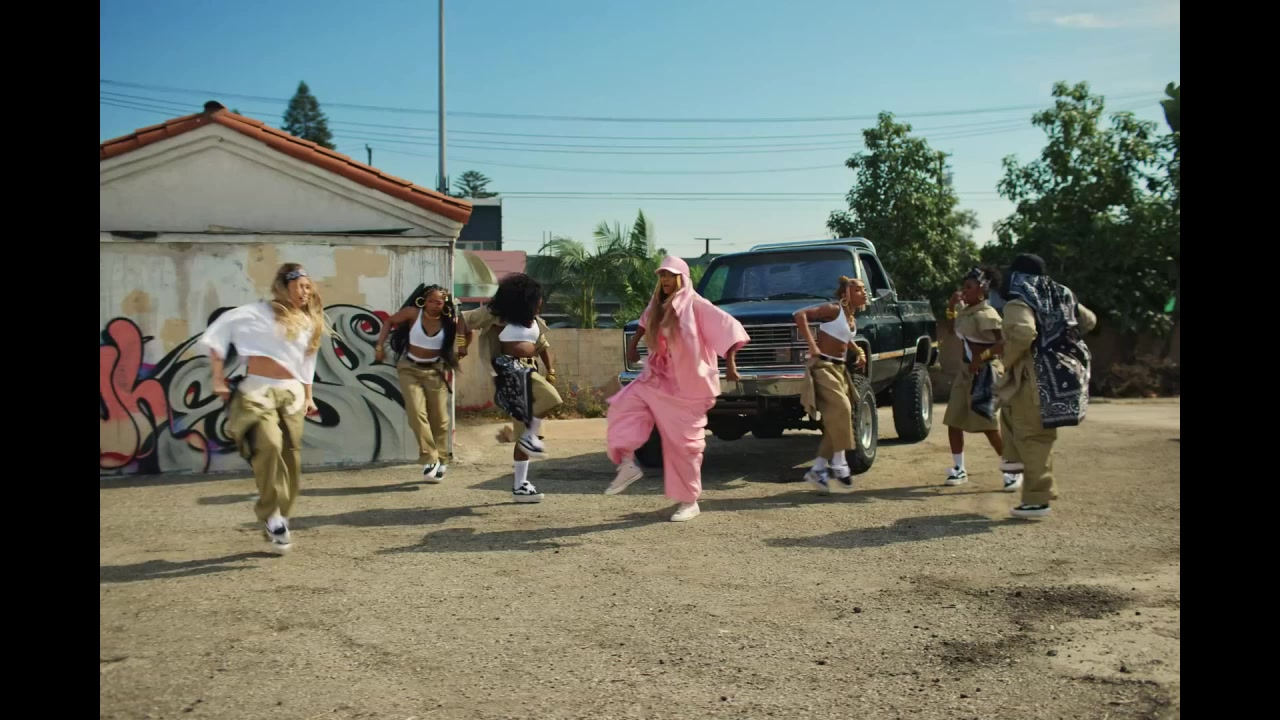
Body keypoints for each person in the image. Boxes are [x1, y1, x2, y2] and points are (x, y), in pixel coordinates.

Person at [603, 257, 749, 522]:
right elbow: (644, 322)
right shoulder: (658, 305)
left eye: (670, 275)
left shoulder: (697, 305)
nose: (665, 280)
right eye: (662, 275)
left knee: (684, 444)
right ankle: (627, 464)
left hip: (689, 384)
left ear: (682, 278)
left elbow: (729, 329)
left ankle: (689, 501)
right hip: (659, 376)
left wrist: (731, 365)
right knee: (624, 405)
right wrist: (633, 345)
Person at [201, 263, 325, 554]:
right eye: (300, 286)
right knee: (269, 445)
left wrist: (309, 396)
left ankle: (279, 516)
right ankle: (270, 514)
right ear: (284, 285)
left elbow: (308, 362)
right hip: (258, 391)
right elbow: (216, 336)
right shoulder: (256, 313)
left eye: (309, 288)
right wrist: (218, 378)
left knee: (291, 458)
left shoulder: (308, 321)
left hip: (292, 393)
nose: (306, 292)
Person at [996, 254, 1097, 519]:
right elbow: (1089, 321)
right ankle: (1014, 464)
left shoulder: (1019, 300)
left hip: (1034, 378)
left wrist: (1007, 359)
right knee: (1024, 425)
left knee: (1033, 437)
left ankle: (1036, 500)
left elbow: (1023, 332)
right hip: (1061, 376)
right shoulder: (1061, 294)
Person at [462, 274, 562, 503]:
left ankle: (520, 485)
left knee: (524, 433)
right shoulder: (498, 316)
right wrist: (461, 345)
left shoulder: (534, 321)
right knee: (551, 399)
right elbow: (463, 320)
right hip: (510, 370)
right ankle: (528, 438)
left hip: (530, 370)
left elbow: (542, 346)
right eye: (537, 298)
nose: (540, 302)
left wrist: (551, 370)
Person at [374, 284, 465, 481]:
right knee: (416, 413)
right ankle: (429, 457)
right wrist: (379, 346)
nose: (433, 305)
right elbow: (389, 321)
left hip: (435, 370)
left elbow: (466, 332)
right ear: (424, 300)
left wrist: (462, 349)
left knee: (440, 419)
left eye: (438, 302)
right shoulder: (413, 313)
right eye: (430, 301)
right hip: (409, 368)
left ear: (444, 304)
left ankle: (442, 459)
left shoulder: (449, 321)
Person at [941, 267, 1021, 492]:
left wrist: (981, 357)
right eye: (963, 287)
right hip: (966, 372)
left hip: (986, 373)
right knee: (954, 420)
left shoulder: (988, 315)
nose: (964, 291)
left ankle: (1012, 470)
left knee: (988, 424)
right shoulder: (965, 311)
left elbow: (1003, 343)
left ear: (982, 289)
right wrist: (951, 307)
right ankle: (959, 468)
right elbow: (952, 329)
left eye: (969, 287)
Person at [794, 276, 869, 494]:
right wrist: (812, 345)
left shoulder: (850, 316)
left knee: (836, 420)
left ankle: (818, 469)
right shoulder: (834, 309)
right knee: (843, 409)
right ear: (846, 294)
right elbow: (800, 315)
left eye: (864, 289)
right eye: (858, 290)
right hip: (823, 367)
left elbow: (843, 336)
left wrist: (858, 351)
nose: (864, 293)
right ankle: (839, 463)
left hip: (840, 369)